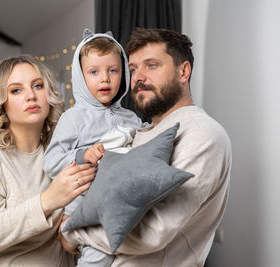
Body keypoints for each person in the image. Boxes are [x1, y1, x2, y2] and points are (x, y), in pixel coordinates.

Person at [60, 28, 232, 267]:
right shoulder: (139, 132)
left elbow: (152, 230)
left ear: (184, 71)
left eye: (151, 66)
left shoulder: (201, 133)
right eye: (132, 69)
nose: (138, 77)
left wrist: (73, 233)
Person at [0, 55, 96, 267]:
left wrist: (73, 238)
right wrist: (49, 200)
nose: (31, 96)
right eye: (16, 90)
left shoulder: (62, 157)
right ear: (1, 102)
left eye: (38, 86)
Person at [43, 29, 143, 267]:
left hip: (123, 201)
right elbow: (50, 161)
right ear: (81, 76)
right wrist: (82, 155)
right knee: (98, 256)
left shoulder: (131, 117)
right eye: (94, 72)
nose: (105, 79)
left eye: (113, 70)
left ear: (123, 74)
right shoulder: (74, 118)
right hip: (86, 207)